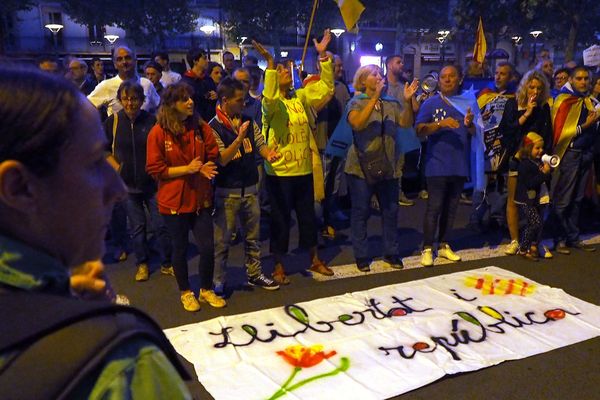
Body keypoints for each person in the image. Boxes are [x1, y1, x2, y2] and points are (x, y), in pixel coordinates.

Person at [0, 65, 191, 398]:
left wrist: (57, 296)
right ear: (18, 187)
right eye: (93, 162)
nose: (116, 188)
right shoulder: (120, 368)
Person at [252, 31, 334, 285]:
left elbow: (326, 88)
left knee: (308, 217)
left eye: (289, 69)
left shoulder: (300, 97)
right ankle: (278, 264)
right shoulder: (271, 103)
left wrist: (322, 56)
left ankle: (314, 258)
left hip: (304, 169)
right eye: (283, 71)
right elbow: (269, 98)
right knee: (280, 220)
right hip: (279, 172)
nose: (288, 72)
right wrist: (271, 66)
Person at [146, 82, 226, 312]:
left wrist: (203, 167)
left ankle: (206, 289)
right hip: (173, 202)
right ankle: (186, 292)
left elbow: (212, 154)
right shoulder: (158, 132)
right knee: (179, 249)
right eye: (184, 99)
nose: (190, 102)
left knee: (208, 247)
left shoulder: (200, 127)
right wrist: (188, 169)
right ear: (171, 105)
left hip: (200, 199)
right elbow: (155, 169)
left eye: (190, 97)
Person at [209, 77, 281, 293]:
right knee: (223, 241)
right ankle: (218, 281)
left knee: (253, 237)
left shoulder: (248, 119)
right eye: (239, 100)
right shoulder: (213, 127)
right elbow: (222, 159)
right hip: (227, 192)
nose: (244, 103)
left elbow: (260, 143)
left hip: (250, 187)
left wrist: (270, 154)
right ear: (225, 100)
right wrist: (238, 139)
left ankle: (255, 273)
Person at [345, 64, 418, 272]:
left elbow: (405, 123)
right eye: (373, 74)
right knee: (361, 211)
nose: (379, 76)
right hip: (360, 167)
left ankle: (391, 252)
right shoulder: (356, 103)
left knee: (391, 210)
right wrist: (375, 98)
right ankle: (361, 255)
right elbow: (357, 124)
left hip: (389, 165)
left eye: (379, 73)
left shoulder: (391, 103)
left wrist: (406, 100)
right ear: (362, 81)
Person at [105, 80, 173, 282]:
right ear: (119, 100)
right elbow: (102, 149)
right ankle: (142, 264)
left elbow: (164, 147)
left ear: (142, 100)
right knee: (137, 228)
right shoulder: (113, 121)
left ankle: (167, 262)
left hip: (153, 184)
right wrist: (118, 168)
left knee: (161, 225)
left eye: (134, 99)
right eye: (125, 99)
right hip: (127, 186)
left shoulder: (152, 121)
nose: (129, 103)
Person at [416, 65, 476, 267]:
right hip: (437, 165)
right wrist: (441, 124)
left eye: (452, 76)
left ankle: (443, 245)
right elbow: (419, 130)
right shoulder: (431, 103)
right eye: (443, 77)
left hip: (459, 164)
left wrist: (470, 125)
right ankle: (426, 247)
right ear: (438, 80)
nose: (447, 80)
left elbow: (477, 133)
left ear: (460, 79)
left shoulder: (468, 103)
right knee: (434, 207)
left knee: (451, 209)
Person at [499, 69, 552, 256]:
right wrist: (527, 114)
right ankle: (514, 240)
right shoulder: (513, 104)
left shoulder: (544, 107)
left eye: (539, 88)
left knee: (537, 202)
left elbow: (547, 135)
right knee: (514, 200)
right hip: (516, 159)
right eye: (531, 87)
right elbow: (506, 131)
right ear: (525, 87)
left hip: (535, 161)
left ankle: (533, 242)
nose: (535, 92)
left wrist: (545, 159)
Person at [550, 66, 600, 254]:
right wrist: (588, 124)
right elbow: (562, 132)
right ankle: (559, 238)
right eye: (579, 78)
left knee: (578, 199)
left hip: (586, 153)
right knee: (564, 198)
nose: (583, 82)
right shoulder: (564, 100)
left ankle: (573, 237)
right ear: (571, 80)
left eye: (586, 78)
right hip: (570, 154)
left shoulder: (587, 101)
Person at [87, 45, 160, 117]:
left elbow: (158, 108)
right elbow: (85, 107)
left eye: (128, 58)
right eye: (119, 59)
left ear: (135, 61)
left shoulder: (147, 84)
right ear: (115, 64)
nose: (124, 62)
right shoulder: (106, 86)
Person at [384, 54, 417, 207]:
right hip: (384, 132)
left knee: (399, 166)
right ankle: (379, 196)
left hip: (401, 132)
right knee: (382, 164)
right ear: (389, 65)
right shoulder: (381, 84)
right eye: (398, 62)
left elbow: (415, 108)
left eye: (402, 62)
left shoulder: (405, 84)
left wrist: (411, 97)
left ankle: (397, 194)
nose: (402, 65)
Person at [514, 132, 552, 261]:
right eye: (537, 148)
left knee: (533, 223)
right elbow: (530, 183)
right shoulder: (525, 164)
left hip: (532, 199)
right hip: (525, 200)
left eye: (542, 148)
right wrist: (544, 174)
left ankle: (527, 247)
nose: (541, 151)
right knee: (535, 223)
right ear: (528, 148)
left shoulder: (535, 162)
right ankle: (523, 249)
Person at [181, 48, 216, 122]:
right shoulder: (185, 83)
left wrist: (216, 96)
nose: (207, 61)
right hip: (194, 122)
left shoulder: (208, 79)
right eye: (204, 58)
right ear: (195, 61)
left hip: (211, 121)